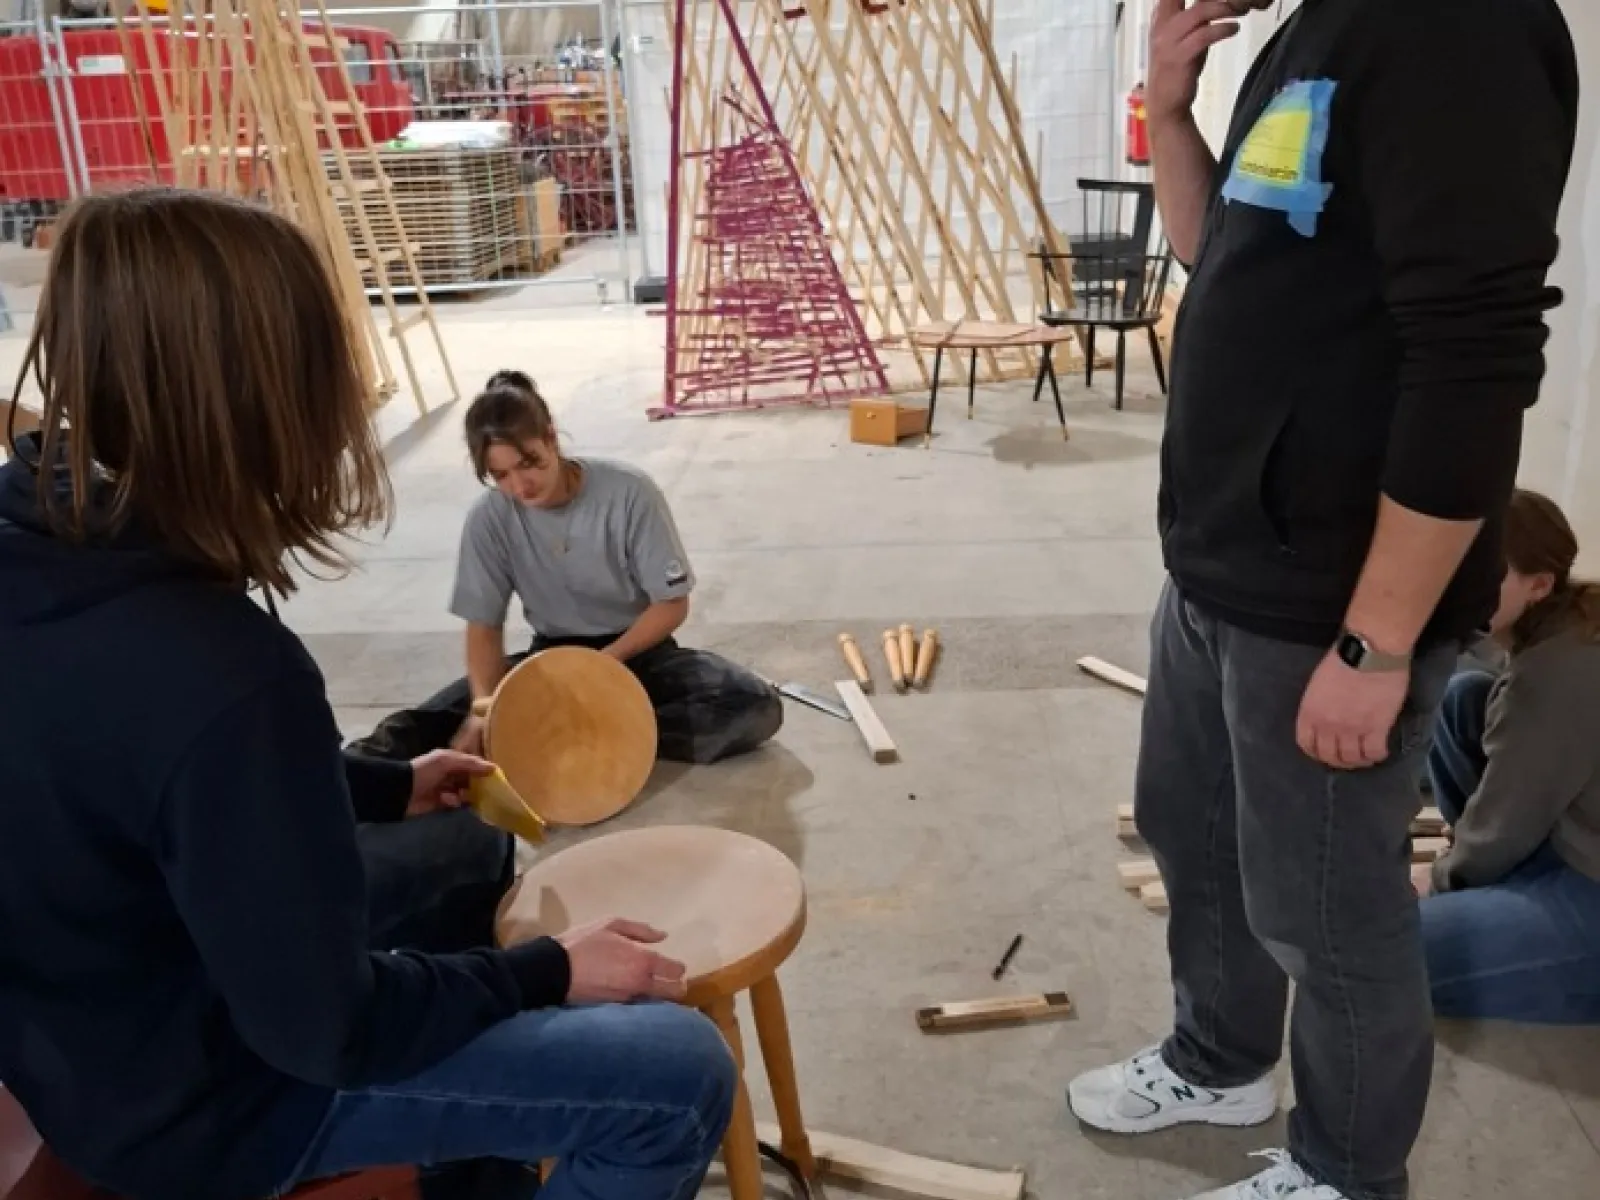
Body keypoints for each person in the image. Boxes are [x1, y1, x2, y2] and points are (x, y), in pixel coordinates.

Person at [0, 188, 735, 1200]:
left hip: (86, 1039)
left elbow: (135, 772)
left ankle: (474, 1161)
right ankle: (478, 1134)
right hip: (215, 1104)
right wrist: (547, 972)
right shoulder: (223, 669)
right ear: (264, 400)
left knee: (466, 837)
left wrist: (383, 783)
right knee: (677, 1074)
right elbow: (326, 1029)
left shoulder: (37, 547)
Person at [1067, 3, 1578, 1200]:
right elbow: (1215, 250)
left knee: (1328, 918)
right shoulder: (1317, 28)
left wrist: (1377, 639)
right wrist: (1174, 106)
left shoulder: (1463, 31)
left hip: (1331, 596)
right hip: (1220, 561)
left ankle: (1348, 1171)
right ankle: (1220, 1058)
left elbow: (1474, 366)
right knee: (1193, 835)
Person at [351, 371, 784, 767]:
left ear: (552, 438)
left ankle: (574, 736)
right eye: (500, 475)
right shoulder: (490, 518)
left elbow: (671, 604)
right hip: (552, 659)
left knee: (751, 705)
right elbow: (483, 627)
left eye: (529, 463)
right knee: (428, 728)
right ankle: (349, 778)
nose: (520, 486)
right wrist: (484, 709)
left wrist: (603, 667)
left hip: (636, 654)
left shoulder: (629, 493)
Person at [1416, 489, 1600, 1025]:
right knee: (1465, 699)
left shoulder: (1558, 675)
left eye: (1483, 575)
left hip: (1590, 882)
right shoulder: (1560, 621)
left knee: (1397, 955)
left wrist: (1442, 882)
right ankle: (1504, 902)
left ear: (1540, 585)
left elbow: (1507, 819)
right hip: (1574, 835)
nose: (1456, 590)